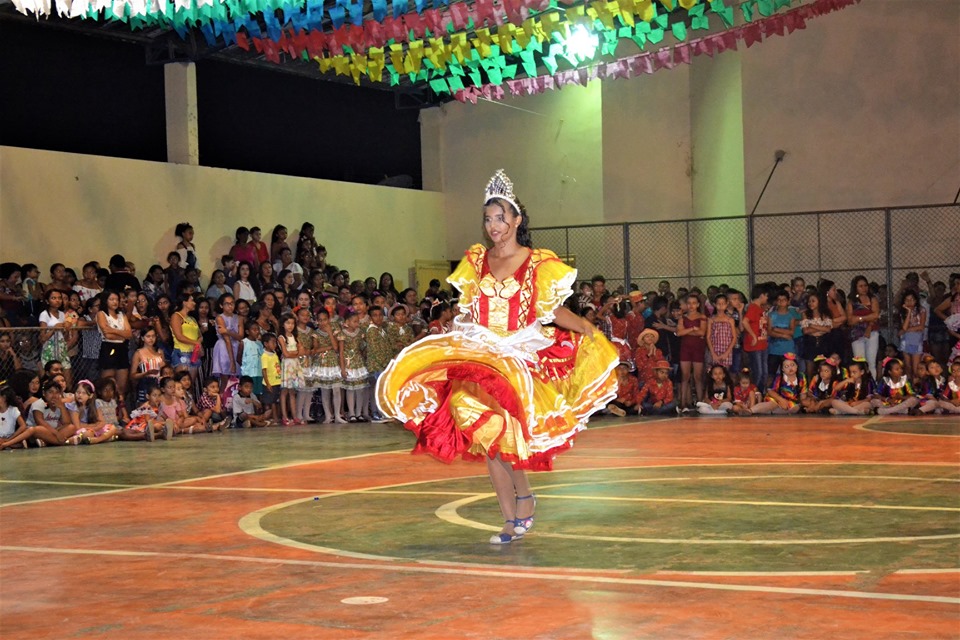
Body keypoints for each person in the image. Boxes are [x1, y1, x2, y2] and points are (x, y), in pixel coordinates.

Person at [376, 170, 618, 545]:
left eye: (501, 217)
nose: (494, 225)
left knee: (505, 435)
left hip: (517, 353)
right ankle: (511, 514)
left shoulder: (537, 263)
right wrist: (454, 330)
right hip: (481, 351)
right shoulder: (476, 260)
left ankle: (522, 499)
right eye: (488, 218)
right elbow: (469, 309)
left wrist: (586, 328)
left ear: (517, 219)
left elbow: (551, 312)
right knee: (481, 430)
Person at [847, 275, 880, 379]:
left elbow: (875, 315)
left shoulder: (873, 299)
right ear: (855, 287)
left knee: (871, 362)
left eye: (865, 285)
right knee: (860, 361)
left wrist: (859, 318)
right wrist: (865, 318)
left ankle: (872, 386)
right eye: (860, 286)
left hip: (872, 332)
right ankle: (861, 386)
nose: (864, 288)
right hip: (857, 334)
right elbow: (850, 320)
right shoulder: (852, 301)